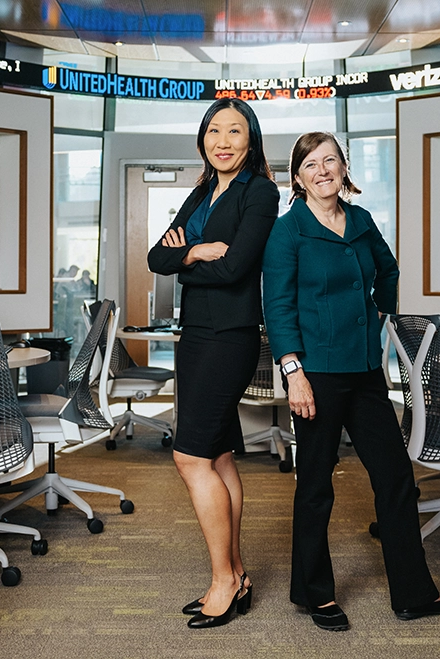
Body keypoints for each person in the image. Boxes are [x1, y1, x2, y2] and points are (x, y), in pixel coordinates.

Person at [262, 131, 440, 631]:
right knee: (315, 485)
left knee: (395, 479)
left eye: (331, 160)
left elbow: (388, 271)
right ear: (298, 177)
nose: (323, 169)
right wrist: (294, 373)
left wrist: (381, 312)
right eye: (311, 163)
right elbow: (278, 308)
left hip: (366, 373)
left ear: (344, 168)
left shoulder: (362, 220)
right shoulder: (288, 232)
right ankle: (314, 594)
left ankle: (414, 594)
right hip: (317, 375)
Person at [147, 98, 279, 629]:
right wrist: (199, 253)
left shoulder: (261, 191)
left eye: (235, 131)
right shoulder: (202, 191)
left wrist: (188, 257)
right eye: (214, 131)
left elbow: (238, 269)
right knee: (219, 456)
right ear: (203, 138)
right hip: (195, 335)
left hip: (230, 335)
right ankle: (238, 573)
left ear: (251, 140)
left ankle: (222, 581)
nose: (223, 140)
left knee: (189, 457)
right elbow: (158, 258)